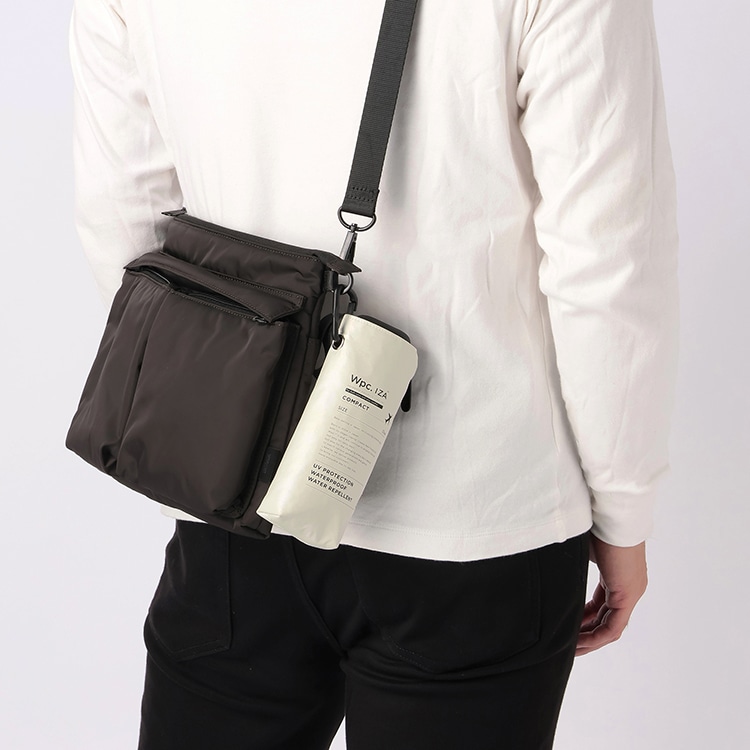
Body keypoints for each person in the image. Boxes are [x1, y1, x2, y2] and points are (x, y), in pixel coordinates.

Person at [69, 0, 678, 748]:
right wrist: (623, 509)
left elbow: (125, 220)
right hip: (474, 521)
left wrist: (222, 417)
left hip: (233, 506)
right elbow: (608, 269)